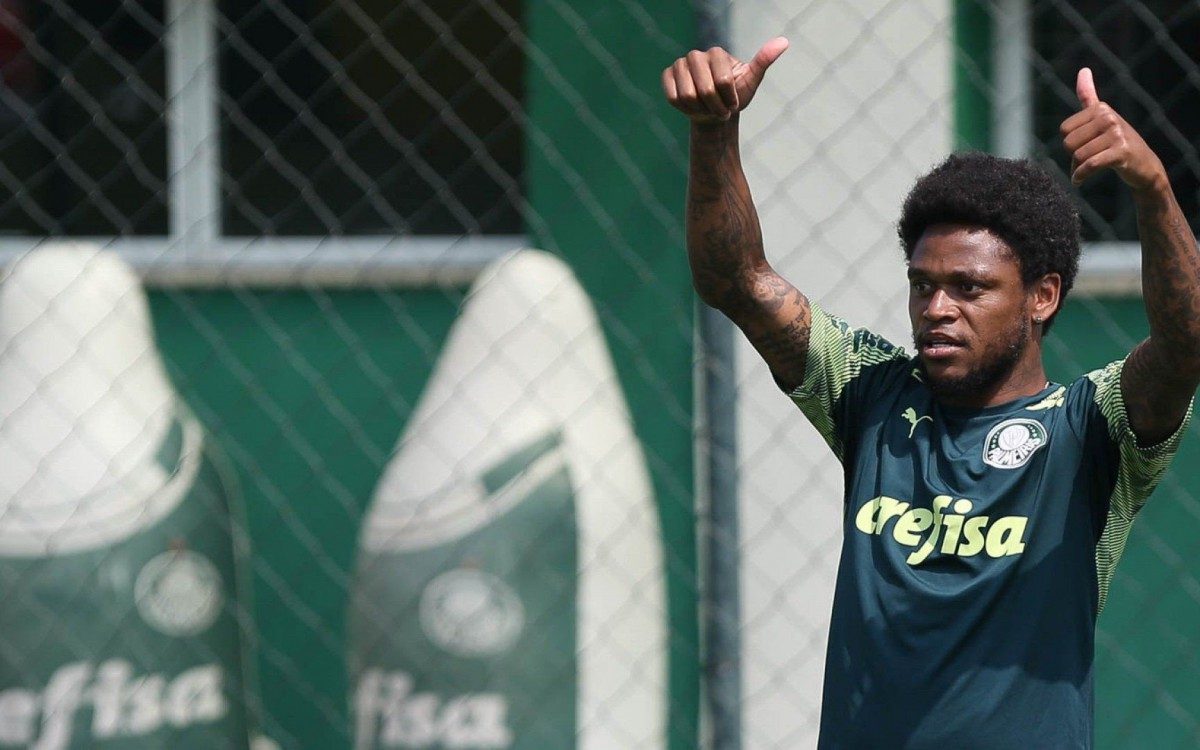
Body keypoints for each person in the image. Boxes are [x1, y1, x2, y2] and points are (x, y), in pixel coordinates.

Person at [664, 37, 1200, 748]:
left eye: (969, 288)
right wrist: (715, 131)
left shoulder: (1089, 430)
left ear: (1042, 296)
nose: (937, 309)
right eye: (923, 285)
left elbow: (1186, 344)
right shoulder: (871, 393)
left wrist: (1153, 190)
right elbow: (738, 281)